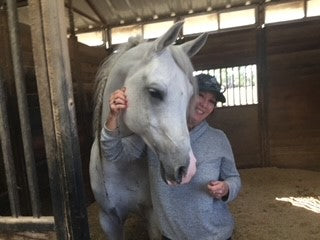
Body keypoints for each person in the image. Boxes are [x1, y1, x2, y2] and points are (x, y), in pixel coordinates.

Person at [101, 74, 241, 240]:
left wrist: (226, 188)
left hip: (215, 234)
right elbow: (114, 153)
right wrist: (113, 116)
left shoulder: (218, 138)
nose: (204, 104)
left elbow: (233, 178)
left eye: (211, 101)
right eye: (201, 95)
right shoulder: (156, 131)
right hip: (171, 235)